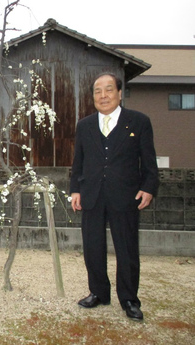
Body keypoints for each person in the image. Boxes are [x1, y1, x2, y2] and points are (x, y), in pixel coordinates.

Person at [70, 72, 159, 321]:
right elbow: (79, 162)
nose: (103, 95)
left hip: (126, 195)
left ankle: (129, 298)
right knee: (92, 247)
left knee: (127, 248)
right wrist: (75, 190)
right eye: (98, 91)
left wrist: (149, 186)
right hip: (92, 194)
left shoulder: (139, 121)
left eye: (109, 89)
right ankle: (98, 292)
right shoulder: (85, 125)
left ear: (120, 93)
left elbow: (149, 160)